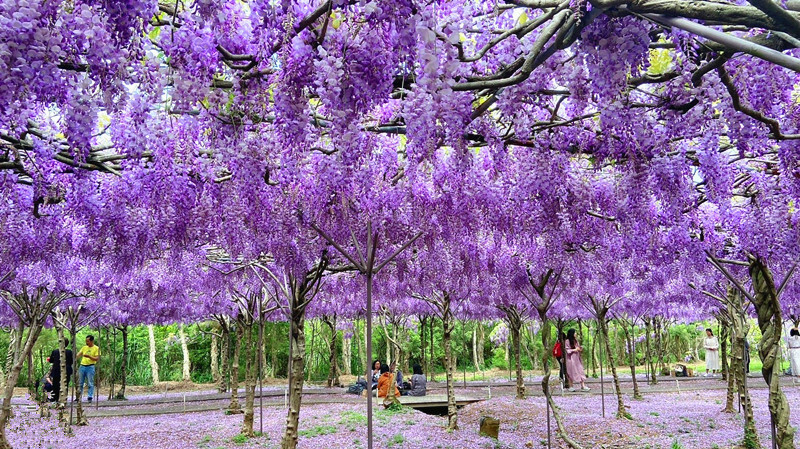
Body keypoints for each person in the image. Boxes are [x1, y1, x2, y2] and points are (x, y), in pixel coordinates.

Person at [47, 338, 73, 402]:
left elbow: (51, 360)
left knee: (55, 384)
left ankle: (56, 398)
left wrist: (49, 359)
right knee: (65, 384)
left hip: (56, 370)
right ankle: (63, 398)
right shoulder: (69, 352)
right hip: (67, 370)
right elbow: (71, 361)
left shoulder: (55, 351)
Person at [77, 335, 101, 403]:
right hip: (82, 366)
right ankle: (79, 397)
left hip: (90, 366)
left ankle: (90, 396)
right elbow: (78, 355)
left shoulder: (96, 348)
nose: (86, 342)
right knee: (80, 382)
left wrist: (89, 356)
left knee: (90, 382)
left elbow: (97, 358)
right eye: (86, 341)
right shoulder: (84, 347)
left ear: (92, 341)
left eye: (88, 341)